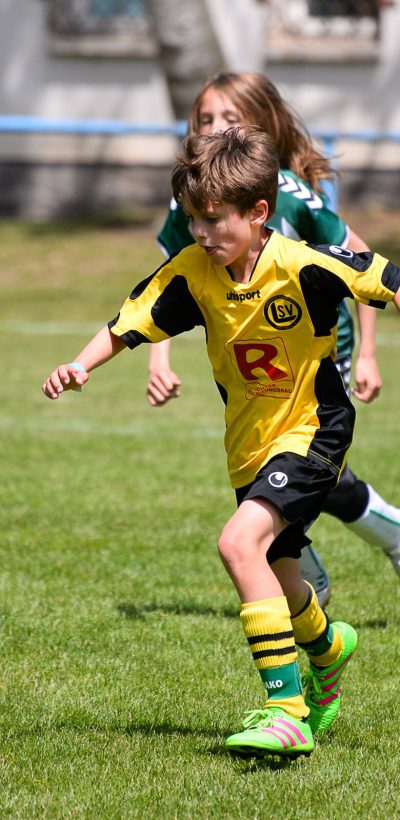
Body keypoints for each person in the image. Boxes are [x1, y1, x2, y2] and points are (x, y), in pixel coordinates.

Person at [42, 127, 400, 757]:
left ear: (258, 212)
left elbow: (380, 275)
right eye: (192, 221)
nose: (201, 235)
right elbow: (129, 320)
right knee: (281, 573)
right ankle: (329, 646)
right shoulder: (192, 273)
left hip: (314, 429)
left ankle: (285, 709)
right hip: (248, 443)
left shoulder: (300, 264)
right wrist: (78, 365)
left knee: (237, 543)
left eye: (213, 221)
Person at [146, 72, 400, 605]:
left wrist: (369, 354)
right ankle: (323, 563)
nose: (215, 127)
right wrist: (158, 359)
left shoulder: (288, 192)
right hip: (255, 364)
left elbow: (360, 261)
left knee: (299, 464)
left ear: (261, 126)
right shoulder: (189, 201)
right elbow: (168, 283)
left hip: (317, 350)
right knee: (301, 472)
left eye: (230, 118)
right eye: (206, 118)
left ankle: (305, 577)